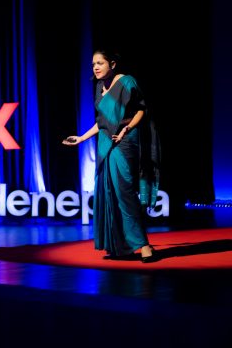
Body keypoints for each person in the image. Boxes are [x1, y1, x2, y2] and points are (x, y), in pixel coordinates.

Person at [63, 49, 161, 263]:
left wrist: (127, 129)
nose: (95, 67)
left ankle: (143, 245)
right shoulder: (99, 87)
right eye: (93, 64)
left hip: (124, 142)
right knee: (108, 193)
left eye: (100, 63)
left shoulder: (126, 82)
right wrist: (81, 138)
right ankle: (120, 246)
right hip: (104, 143)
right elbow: (102, 122)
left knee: (124, 192)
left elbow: (141, 110)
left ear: (113, 64)